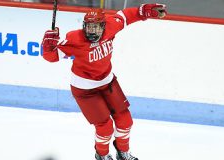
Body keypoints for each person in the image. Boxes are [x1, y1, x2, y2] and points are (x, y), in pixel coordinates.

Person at [42, 3, 167, 160]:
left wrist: (142, 12)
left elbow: (125, 16)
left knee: (125, 120)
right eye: (88, 27)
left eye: (96, 27)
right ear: (83, 26)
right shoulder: (75, 38)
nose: (91, 31)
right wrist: (47, 47)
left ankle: (123, 153)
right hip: (85, 89)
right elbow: (51, 57)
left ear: (103, 25)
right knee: (105, 128)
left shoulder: (111, 26)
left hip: (107, 82)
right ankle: (102, 155)